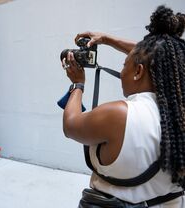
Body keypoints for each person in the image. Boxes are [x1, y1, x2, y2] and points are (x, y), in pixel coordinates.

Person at [61, 5, 185, 207]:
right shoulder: (178, 115)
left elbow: (71, 125)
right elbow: (161, 57)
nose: (122, 71)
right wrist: (108, 40)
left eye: (124, 64)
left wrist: (78, 84)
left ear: (138, 71)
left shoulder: (118, 114)